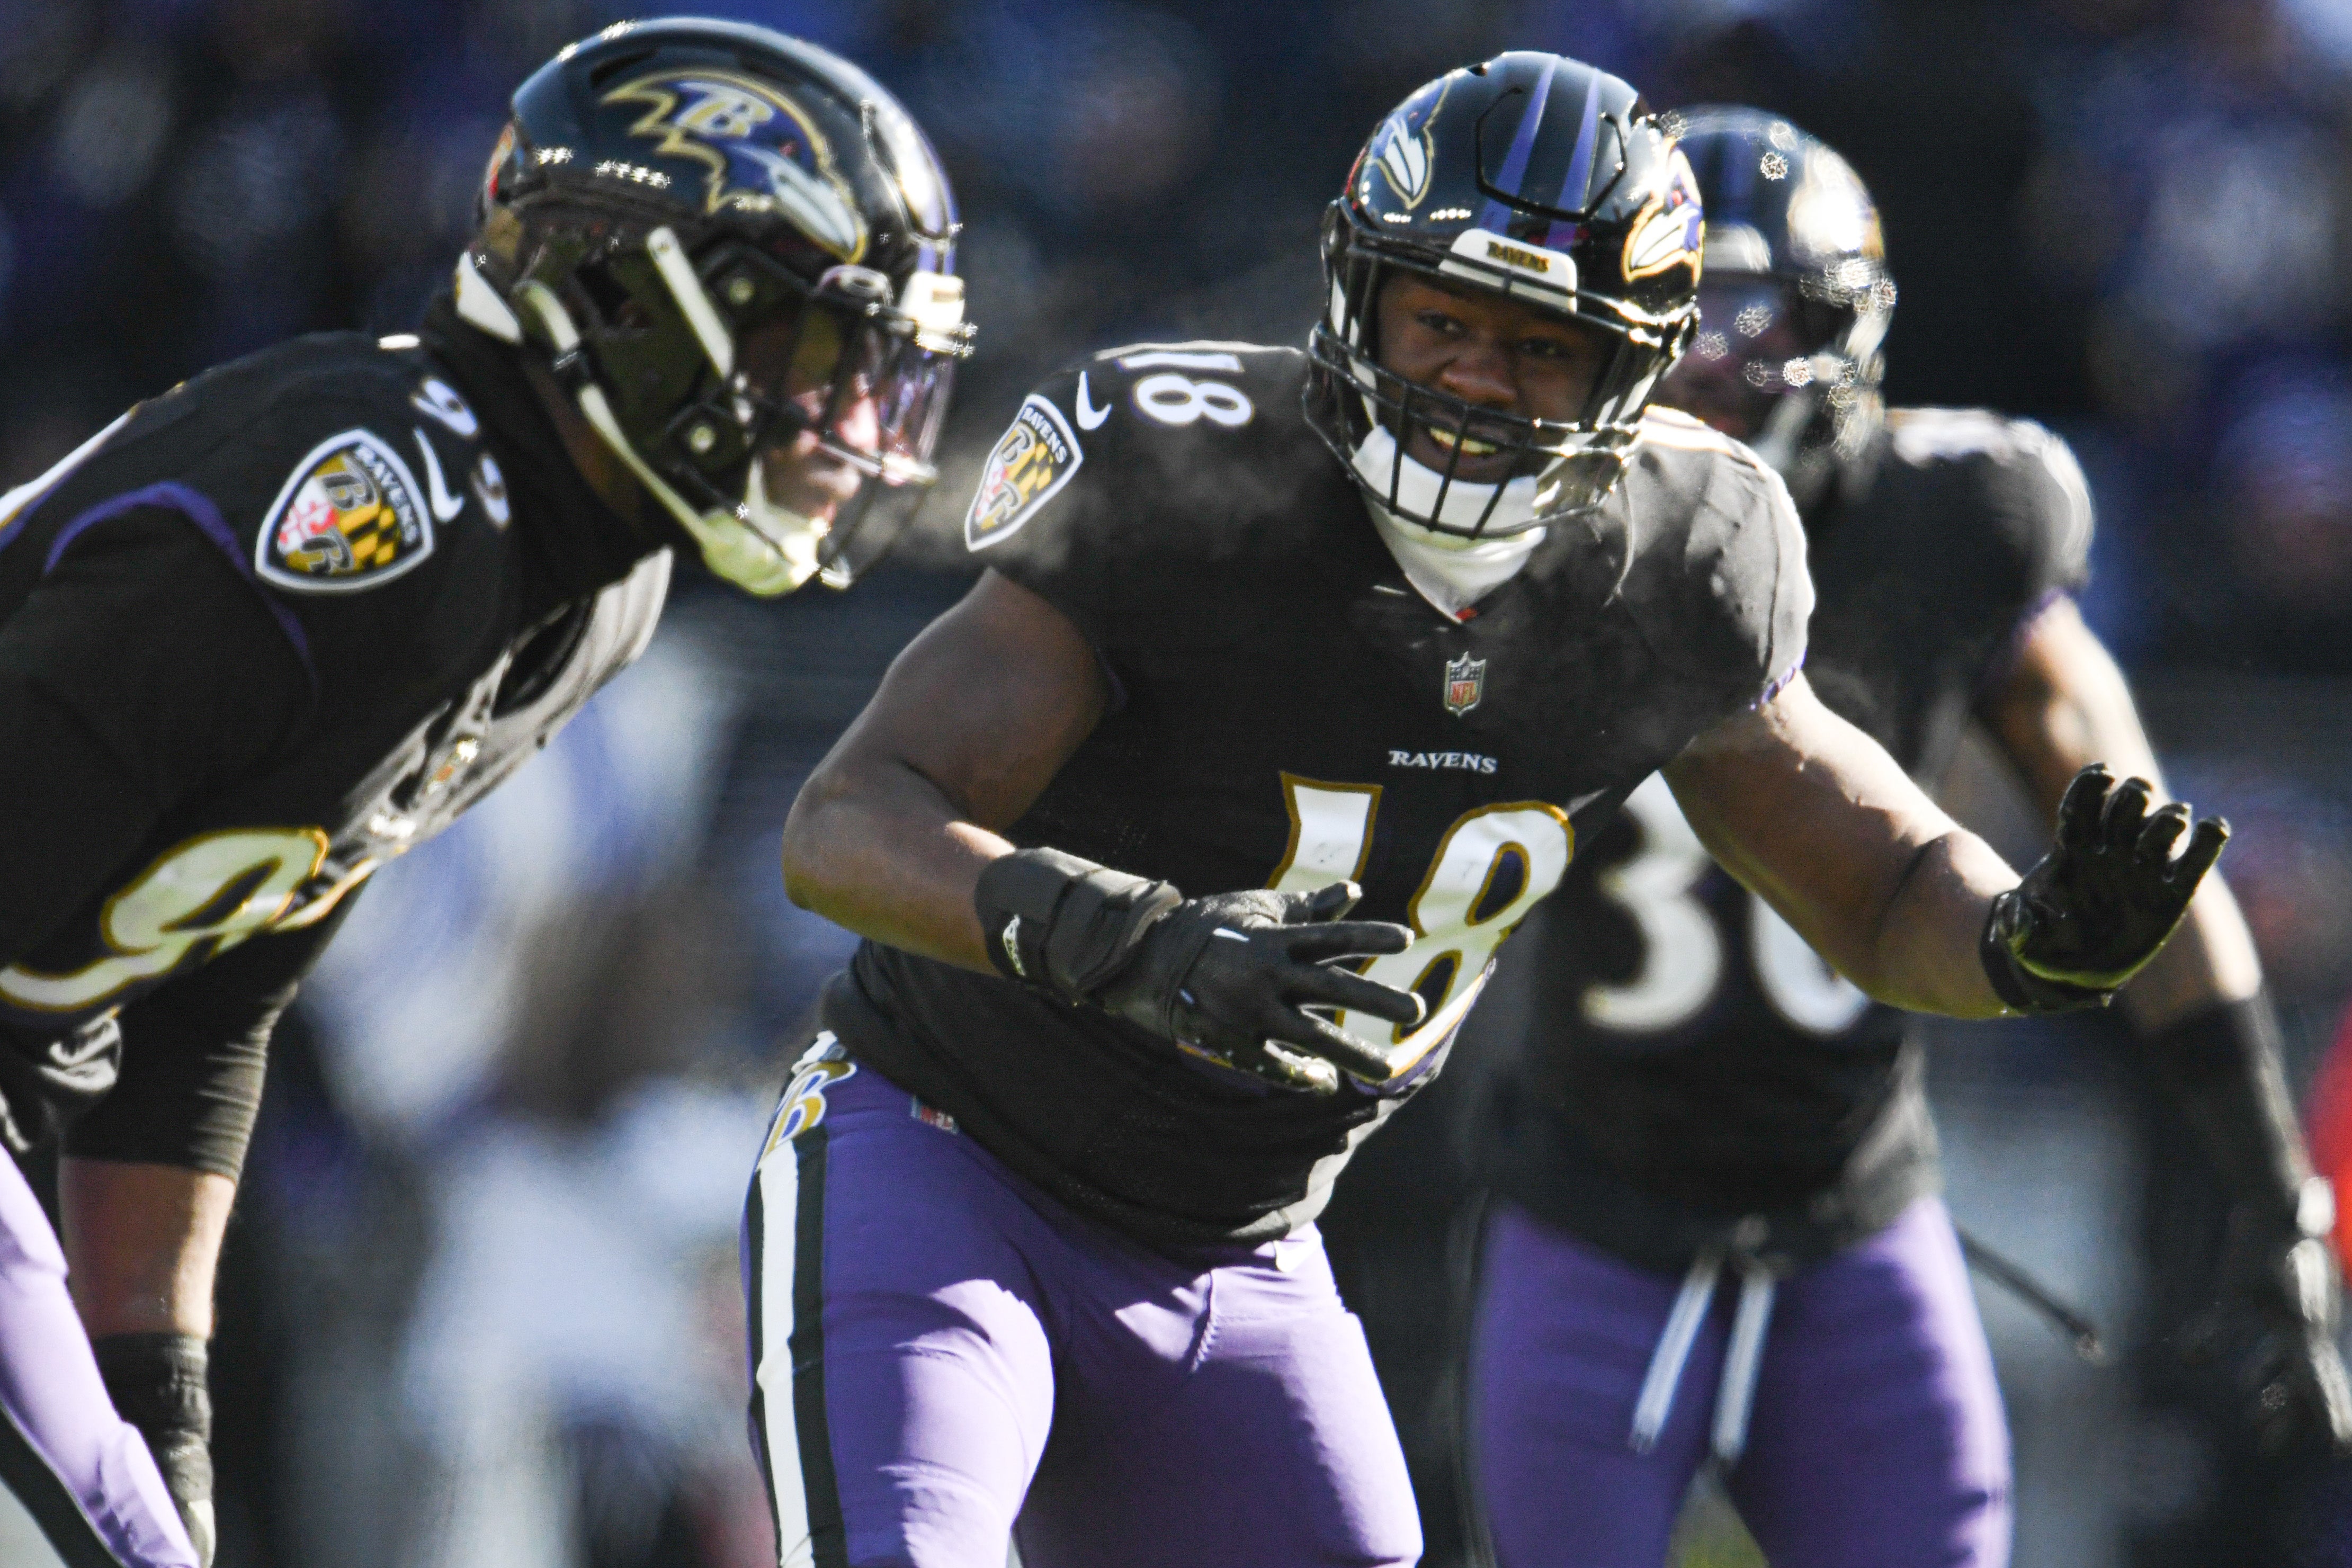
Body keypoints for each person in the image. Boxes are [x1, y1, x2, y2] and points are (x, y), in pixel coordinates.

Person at [756, 55, 2224, 1568]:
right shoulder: (1184, 466)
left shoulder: (1688, 550)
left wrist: (2020, 938)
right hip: (945, 1154)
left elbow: (1874, 881)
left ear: (1637, 367)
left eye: (1539, 345)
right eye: (1439, 320)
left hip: (1240, 1242)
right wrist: (1136, 943)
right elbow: (850, 819)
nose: (1472, 377)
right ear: (1354, 294)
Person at [0, 19, 968, 1564]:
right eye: (811, 351)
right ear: (630, 290)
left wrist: (150, 1381)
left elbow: (207, 995)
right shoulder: (385, 512)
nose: (850, 425)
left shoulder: (588, 589)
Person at [1447, 108, 2350, 1568]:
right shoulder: (1529, 525)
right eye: (1654, 309)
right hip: (1589, 1214)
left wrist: (2271, 1199)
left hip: (1851, 1220)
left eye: (1730, 312)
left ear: (1835, 330)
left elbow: (2149, 861)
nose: (1689, 361)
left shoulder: (1954, 520)